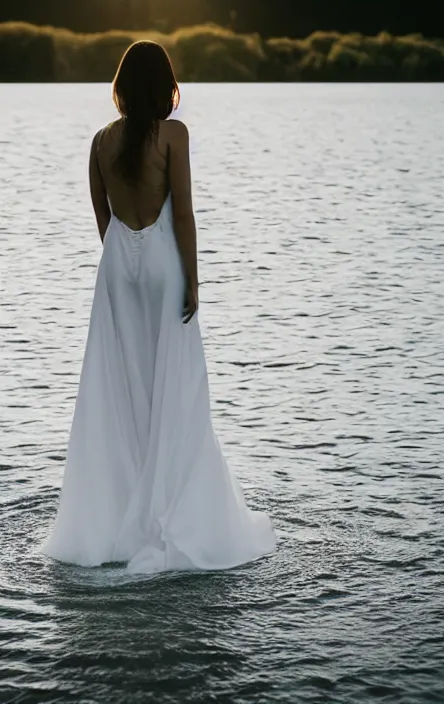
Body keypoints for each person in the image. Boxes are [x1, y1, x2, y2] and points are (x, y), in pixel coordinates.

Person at [41, 40, 276, 573]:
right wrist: (192, 278)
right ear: (163, 85)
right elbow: (185, 213)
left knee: (123, 388)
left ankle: (118, 515)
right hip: (166, 266)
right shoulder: (174, 134)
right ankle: (170, 510)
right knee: (176, 387)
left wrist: (124, 259)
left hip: (117, 271)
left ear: (122, 87)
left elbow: (102, 218)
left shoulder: (100, 142)